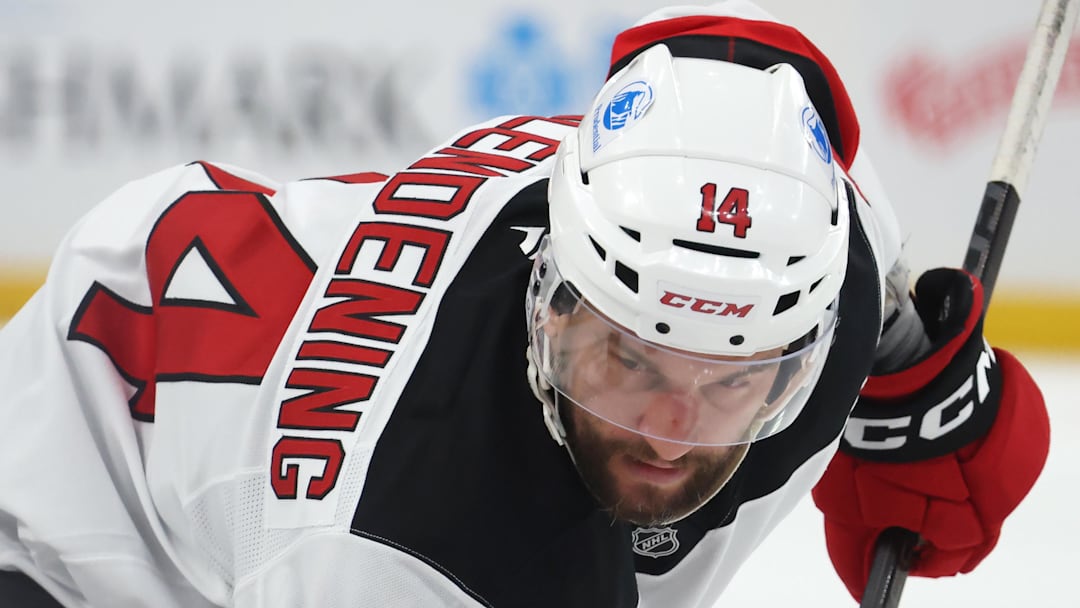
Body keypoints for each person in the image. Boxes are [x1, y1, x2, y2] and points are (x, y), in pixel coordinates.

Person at [0, 1, 1050, 606]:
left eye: (732, 380)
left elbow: (745, 81)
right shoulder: (400, 552)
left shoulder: (822, 251)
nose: (670, 430)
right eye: (630, 360)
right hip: (65, 512)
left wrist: (920, 376)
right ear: (552, 301)